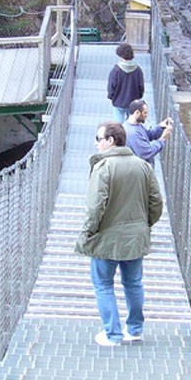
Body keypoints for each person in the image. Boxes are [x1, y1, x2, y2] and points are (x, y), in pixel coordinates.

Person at [75, 121, 163, 347]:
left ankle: (113, 334)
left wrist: (87, 234)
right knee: (133, 283)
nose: (96, 144)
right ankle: (134, 330)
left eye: (98, 139)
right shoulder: (143, 166)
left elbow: (96, 206)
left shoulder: (103, 167)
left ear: (110, 141)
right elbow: (156, 202)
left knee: (103, 285)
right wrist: (143, 225)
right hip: (135, 238)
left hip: (107, 239)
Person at [123, 99, 173, 165]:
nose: (146, 115)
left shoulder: (136, 125)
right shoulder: (133, 133)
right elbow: (147, 152)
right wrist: (163, 138)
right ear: (137, 112)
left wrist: (160, 127)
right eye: (145, 113)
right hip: (140, 171)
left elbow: (148, 135)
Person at [107, 43, 144, 123]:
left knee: (118, 123)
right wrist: (139, 96)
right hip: (133, 101)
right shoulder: (137, 70)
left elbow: (111, 86)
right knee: (131, 122)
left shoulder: (116, 70)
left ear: (120, 55)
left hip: (118, 101)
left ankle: (119, 134)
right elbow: (141, 86)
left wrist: (111, 96)